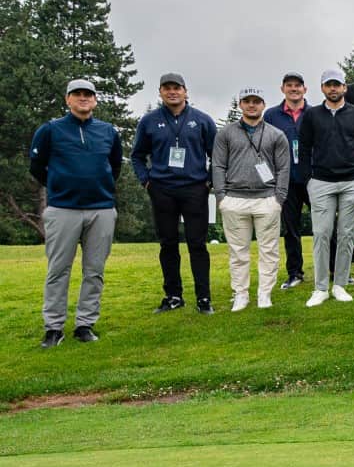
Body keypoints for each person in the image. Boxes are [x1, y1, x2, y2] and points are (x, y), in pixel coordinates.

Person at [33, 80, 123, 348]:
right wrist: (59, 185)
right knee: (58, 270)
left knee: (94, 271)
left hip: (102, 209)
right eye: (77, 94)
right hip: (63, 209)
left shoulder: (107, 131)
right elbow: (37, 166)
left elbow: (114, 166)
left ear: (95, 100)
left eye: (88, 95)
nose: (83, 99)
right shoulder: (50, 130)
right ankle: (54, 327)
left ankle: (85, 324)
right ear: (68, 99)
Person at [131, 72, 218, 315]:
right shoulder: (149, 121)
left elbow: (217, 155)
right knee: (168, 244)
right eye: (167, 88)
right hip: (162, 190)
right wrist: (146, 182)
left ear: (185, 91)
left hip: (195, 189)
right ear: (160, 92)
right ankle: (173, 296)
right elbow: (137, 156)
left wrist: (209, 182)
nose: (172, 92)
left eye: (176, 88)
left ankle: (204, 298)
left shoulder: (202, 120)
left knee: (197, 244)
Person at [298, 69, 354, 309]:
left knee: (346, 234)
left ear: (344, 87)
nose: (333, 89)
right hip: (321, 181)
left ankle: (340, 284)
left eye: (337, 85)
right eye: (328, 85)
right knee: (322, 233)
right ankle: (320, 287)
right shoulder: (311, 115)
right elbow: (304, 148)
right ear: (322, 88)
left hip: (353, 181)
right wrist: (308, 179)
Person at [211, 87, 291, 312]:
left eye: (256, 101)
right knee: (238, 251)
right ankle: (241, 294)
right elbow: (218, 165)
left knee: (269, 250)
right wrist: (221, 197)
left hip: (267, 199)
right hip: (234, 199)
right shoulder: (226, 133)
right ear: (240, 105)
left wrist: (279, 198)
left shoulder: (276, 134)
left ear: (263, 104)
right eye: (247, 101)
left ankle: (264, 293)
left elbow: (284, 168)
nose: (252, 105)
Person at [263, 72, 311, 291]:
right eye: (289, 85)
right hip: (285, 180)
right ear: (282, 88)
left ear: (305, 89)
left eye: (298, 85)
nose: (294, 89)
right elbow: (263, 148)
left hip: (313, 178)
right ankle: (295, 273)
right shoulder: (272, 115)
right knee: (291, 228)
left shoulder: (314, 113)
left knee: (325, 226)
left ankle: (333, 270)